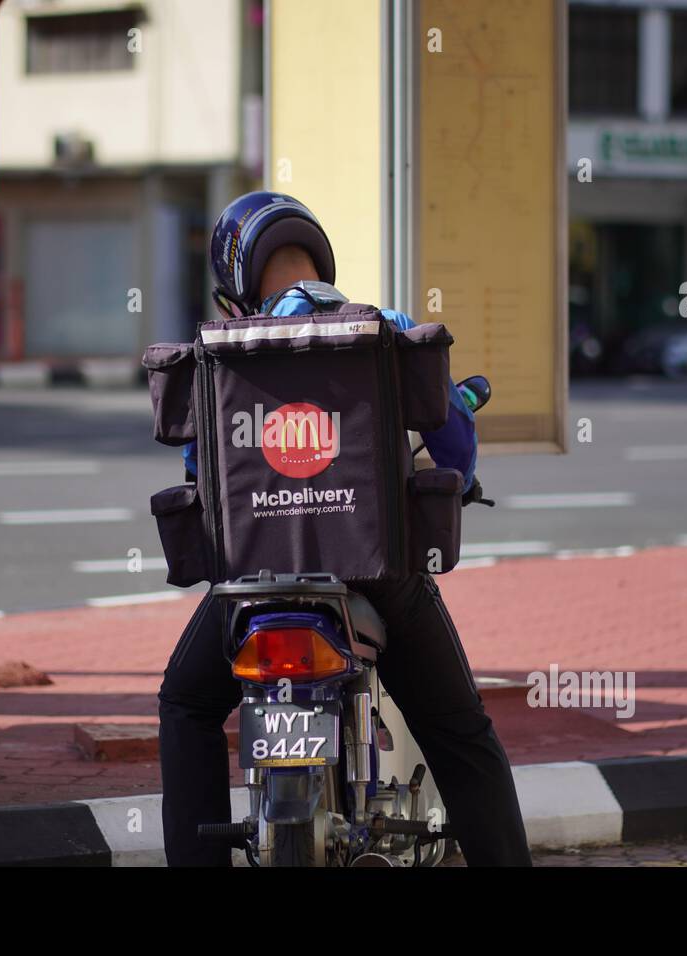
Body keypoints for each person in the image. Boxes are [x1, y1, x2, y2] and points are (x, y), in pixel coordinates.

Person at [157, 190, 532, 867]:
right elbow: (452, 439)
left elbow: (197, 467)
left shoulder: (219, 350)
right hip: (378, 573)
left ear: (234, 291)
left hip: (250, 583)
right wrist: (459, 475)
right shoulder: (381, 326)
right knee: (457, 731)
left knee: (186, 705)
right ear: (319, 257)